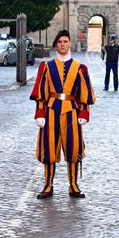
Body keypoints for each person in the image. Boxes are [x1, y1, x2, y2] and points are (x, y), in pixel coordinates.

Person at [30, 30, 96, 199]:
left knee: (73, 149)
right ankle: (47, 185)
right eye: (60, 41)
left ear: (69, 43)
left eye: (65, 41)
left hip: (72, 112)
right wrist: (39, 113)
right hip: (51, 111)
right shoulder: (46, 67)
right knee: (49, 149)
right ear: (56, 44)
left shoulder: (80, 68)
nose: (62, 44)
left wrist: (84, 113)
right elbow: (41, 91)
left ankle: (73, 185)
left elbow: (85, 93)